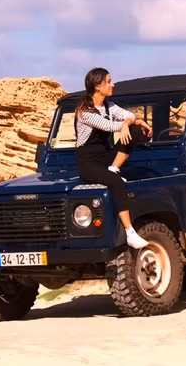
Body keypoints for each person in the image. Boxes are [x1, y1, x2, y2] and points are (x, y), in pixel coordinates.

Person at [74, 68, 153, 249]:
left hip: (105, 157)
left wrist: (132, 123)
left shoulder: (109, 106)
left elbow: (129, 115)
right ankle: (130, 232)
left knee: (134, 131)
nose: (113, 84)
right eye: (109, 81)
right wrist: (126, 124)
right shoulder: (84, 112)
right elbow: (107, 126)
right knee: (117, 183)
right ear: (97, 85)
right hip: (88, 162)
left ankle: (114, 168)